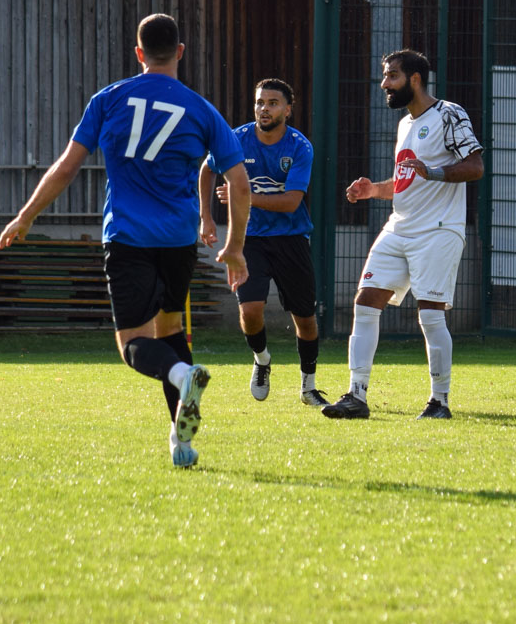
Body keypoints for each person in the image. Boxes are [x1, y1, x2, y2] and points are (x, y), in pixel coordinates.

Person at [0, 13, 250, 469]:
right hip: (178, 241)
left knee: (133, 344)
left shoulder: (109, 99)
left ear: (138, 53)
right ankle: (181, 443)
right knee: (170, 331)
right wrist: (233, 246)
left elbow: (67, 167)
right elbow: (239, 182)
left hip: (129, 237)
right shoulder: (201, 109)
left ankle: (182, 375)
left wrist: (25, 216)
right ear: (180, 52)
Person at [323, 49, 483, 421]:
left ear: (415, 79)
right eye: (385, 76)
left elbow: (475, 166)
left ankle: (439, 402)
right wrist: (373, 190)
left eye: (392, 76)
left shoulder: (449, 113)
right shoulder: (405, 124)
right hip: (400, 226)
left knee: (430, 315)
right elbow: (407, 180)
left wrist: (435, 172)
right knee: (365, 302)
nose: (384, 84)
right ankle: (356, 396)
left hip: (438, 230)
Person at [197, 78, 330, 408]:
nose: (264, 109)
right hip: (249, 239)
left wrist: (243, 195)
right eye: (260, 102)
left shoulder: (299, 147)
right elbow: (207, 169)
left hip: (291, 239)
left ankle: (308, 387)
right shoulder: (237, 139)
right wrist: (206, 217)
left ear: (288, 109)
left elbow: (291, 202)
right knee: (250, 311)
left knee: (305, 319)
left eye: (272, 103)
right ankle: (262, 360)